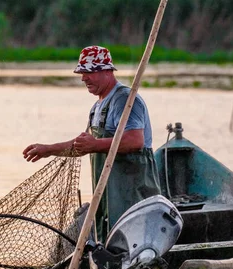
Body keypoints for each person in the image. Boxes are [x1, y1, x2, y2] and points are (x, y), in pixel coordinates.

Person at [23, 45, 160, 242]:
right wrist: (48, 149)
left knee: (133, 241)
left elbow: (135, 141)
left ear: (107, 71)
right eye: (81, 72)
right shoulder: (97, 107)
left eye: (89, 72)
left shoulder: (124, 99)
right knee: (110, 241)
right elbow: (85, 144)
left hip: (132, 192)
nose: (83, 78)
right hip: (108, 194)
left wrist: (95, 145)